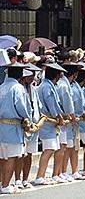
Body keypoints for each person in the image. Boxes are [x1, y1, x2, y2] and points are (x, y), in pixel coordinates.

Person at [0, 63, 32, 194]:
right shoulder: (18, 88)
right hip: (13, 125)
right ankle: (6, 184)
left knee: (2, 157)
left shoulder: (1, 87)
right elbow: (22, 107)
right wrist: (27, 117)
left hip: (1, 125)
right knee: (12, 157)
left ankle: (2, 182)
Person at [33, 62, 66, 185]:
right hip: (48, 120)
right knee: (48, 149)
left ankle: (43, 175)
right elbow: (51, 104)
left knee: (51, 148)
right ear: (56, 75)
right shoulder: (47, 87)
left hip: (51, 122)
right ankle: (40, 176)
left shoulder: (47, 85)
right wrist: (58, 116)